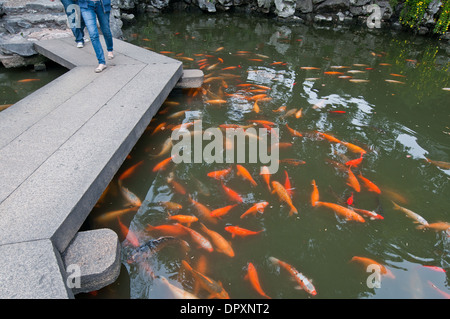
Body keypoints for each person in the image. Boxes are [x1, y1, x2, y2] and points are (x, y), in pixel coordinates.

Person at [78, 0, 114, 73]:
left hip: (102, 4)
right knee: (93, 34)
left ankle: (110, 49)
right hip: (86, 5)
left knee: (106, 30)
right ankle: (101, 62)